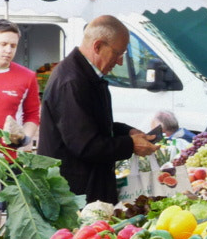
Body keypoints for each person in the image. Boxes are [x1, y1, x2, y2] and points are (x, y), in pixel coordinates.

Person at [37, 15, 159, 203]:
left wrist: (128, 131)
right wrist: (130, 144)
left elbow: (93, 124)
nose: (119, 62)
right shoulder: (72, 82)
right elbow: (86, 145)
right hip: (75, 194)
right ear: (98, 46)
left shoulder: (85, 75)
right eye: (118, 53)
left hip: (87, 188)